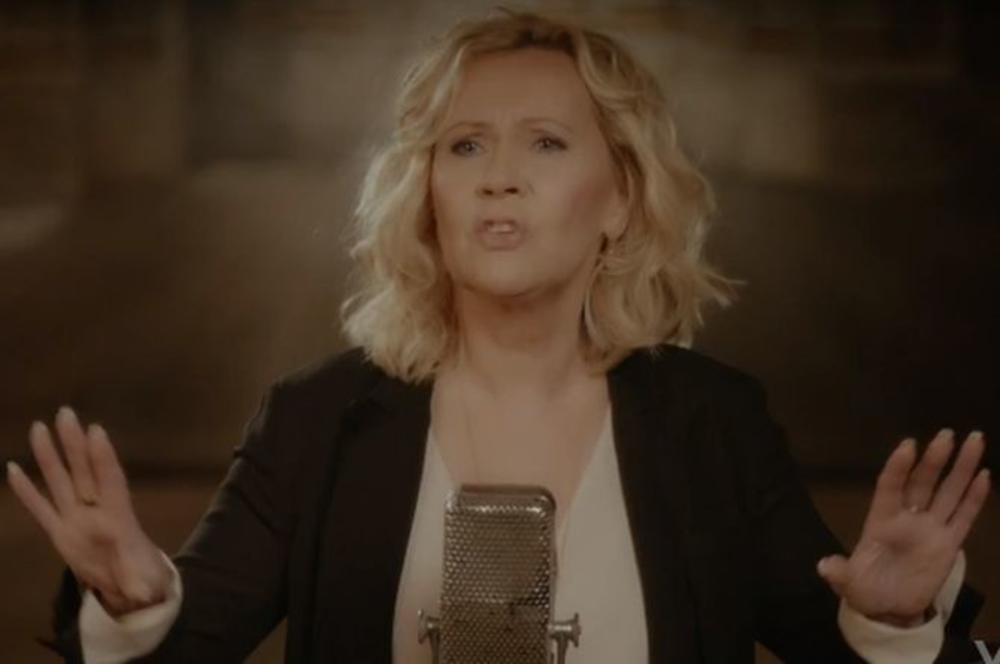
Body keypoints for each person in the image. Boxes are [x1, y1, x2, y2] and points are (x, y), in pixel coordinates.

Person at [6, 8, 991, 664]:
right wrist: (134, 604)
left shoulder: (717, 426)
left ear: (620, 199)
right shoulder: (312, 420)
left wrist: (890, 622)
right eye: (466, 144)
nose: (498, 177)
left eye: (546, 143)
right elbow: (179, 651)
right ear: (428, 192)